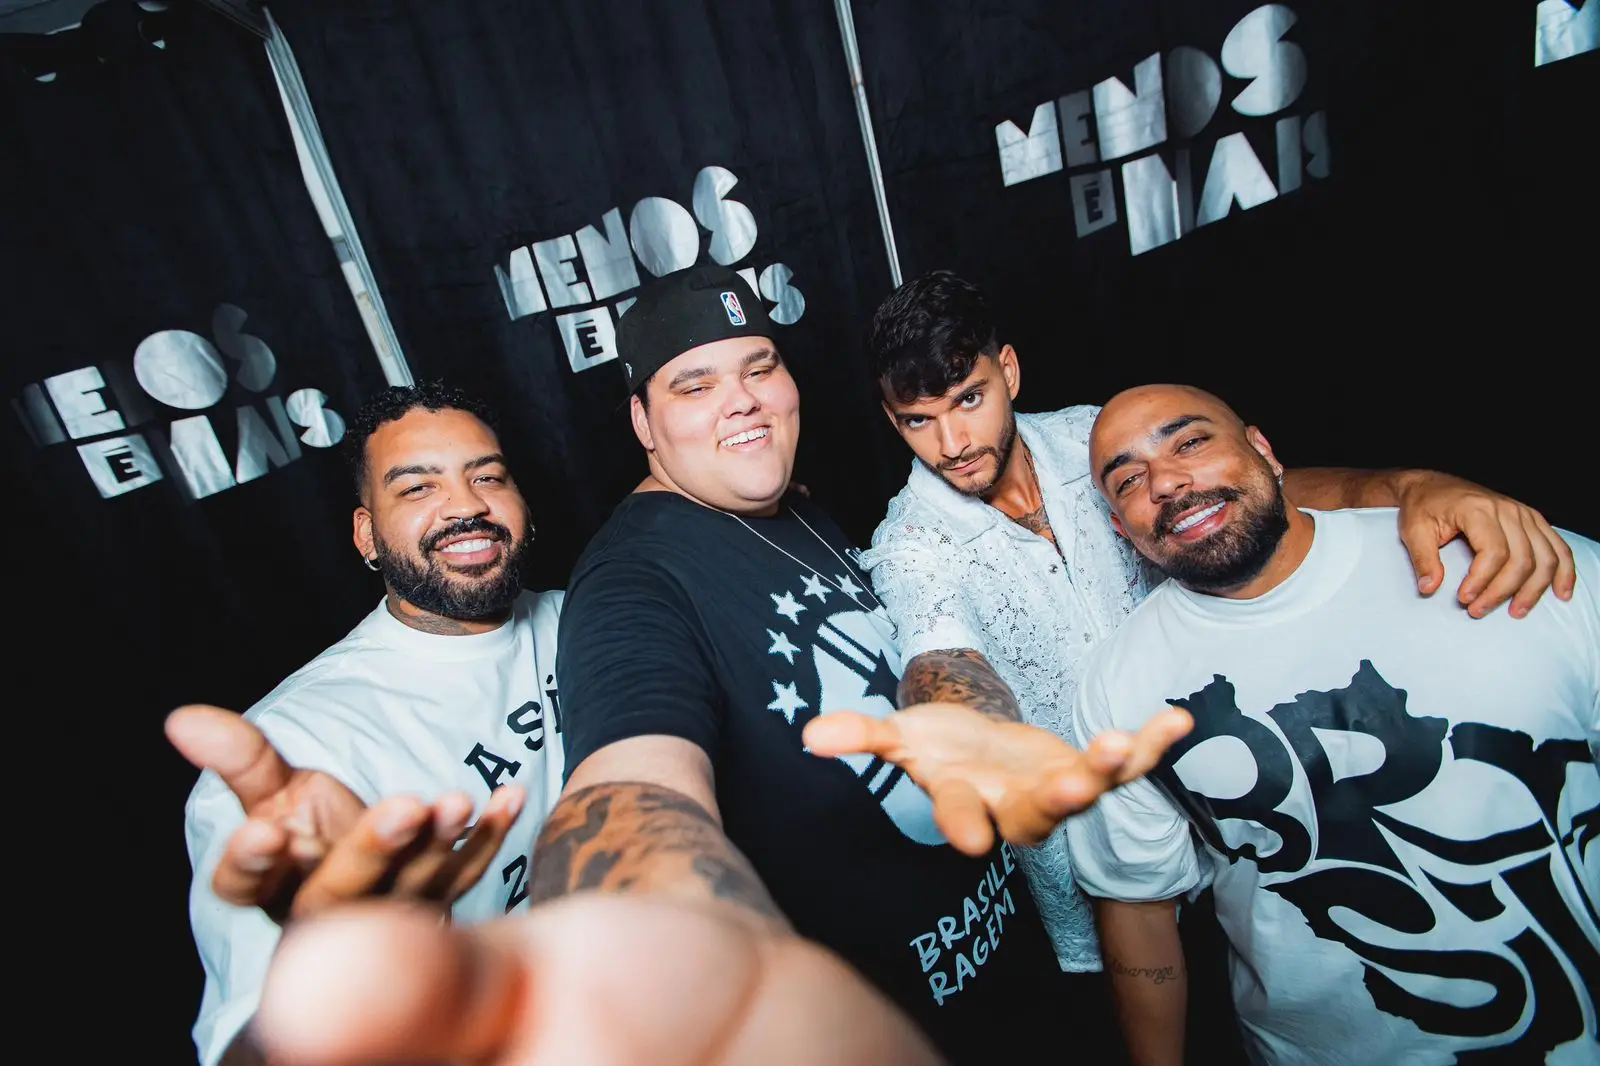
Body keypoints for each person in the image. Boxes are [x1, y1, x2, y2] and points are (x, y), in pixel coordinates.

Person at [532, 263, 1193, 1066]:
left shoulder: (797, 510)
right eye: (695, 386)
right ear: (642, 420)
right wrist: (665, 944)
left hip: (1011, 979)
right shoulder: (631, 580)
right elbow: (630, 786)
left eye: (758, 369)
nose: (741, 401)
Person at [858, 270, 1577, 984]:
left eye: (969, 399)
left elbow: (1255, 494)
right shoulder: (909, 544)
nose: (952, 441)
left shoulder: (1098, 439)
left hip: (1252, 815)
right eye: (919, 420)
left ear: (1009, 371)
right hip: (1108, 885)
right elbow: (941, 656)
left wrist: (1411, 488)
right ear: (894, 421)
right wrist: (972, 733)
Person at [1065, 384, 1599, 1065]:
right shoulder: (1120, 684)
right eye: (1130, 481)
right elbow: (1137, 907)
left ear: (1263, 451)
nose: (1166, 482)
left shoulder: (1505, 558)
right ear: (1121, 528)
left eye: (1191, 443)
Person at [168, 382, 566, 1066]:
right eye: (417, 488)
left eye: (488, 477)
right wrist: (341, 968)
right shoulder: (296, 752)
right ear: (366, 535)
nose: (466, 506)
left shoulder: (587, 615)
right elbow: (259, 1041)